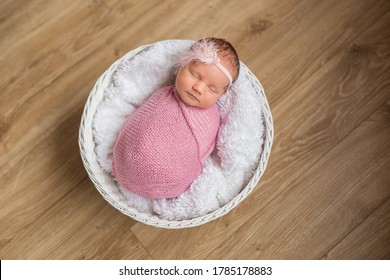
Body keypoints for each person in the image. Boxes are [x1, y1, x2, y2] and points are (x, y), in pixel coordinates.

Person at [112, 37, 240, 199]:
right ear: (181, 66)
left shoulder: (212, 119)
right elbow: (140, 119)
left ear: (222, 95)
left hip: (171, 176)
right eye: (194, 75)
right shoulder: (162, 94)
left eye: (212, 89)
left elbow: (202, 153)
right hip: (127, 156)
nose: (198, 88)